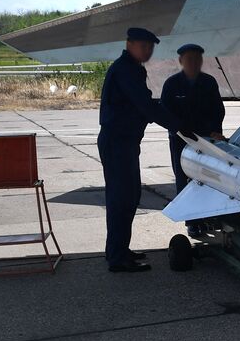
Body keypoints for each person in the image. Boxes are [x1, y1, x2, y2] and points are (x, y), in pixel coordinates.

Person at [97, 28, 189, 274]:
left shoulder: (130, 68)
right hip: (118, 142)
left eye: (151, 47)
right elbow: (146, 105)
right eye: (144, 46)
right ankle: (117, 258)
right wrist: (181, 127)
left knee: (128, 197)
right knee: (122, 199)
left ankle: (118, 250)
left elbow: (146, 105)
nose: (148, 51)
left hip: (124, 142)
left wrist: (174, 119)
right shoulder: (126, 69)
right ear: (130, 44)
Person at [160, 43, 226, 193]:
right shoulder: (172, 84)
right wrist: (181, 131)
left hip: (207, 139)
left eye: (198, 59)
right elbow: (165, 114)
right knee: (183, 180)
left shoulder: (209, 82)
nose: (194, 62)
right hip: (181, 140)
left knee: (209, 179)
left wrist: (215, 131)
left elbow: (218, 110)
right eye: (190, 59)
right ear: (181, 61)